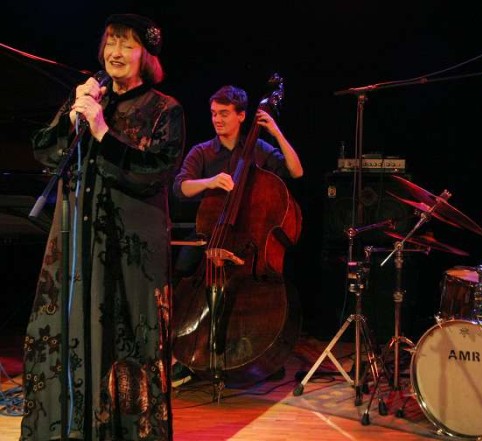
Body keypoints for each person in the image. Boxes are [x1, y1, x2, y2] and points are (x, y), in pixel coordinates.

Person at [20, 13, 185, 440]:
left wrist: (102, 131)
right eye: (111, 42)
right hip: (77, 242)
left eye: (127, 45)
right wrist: (72, 116)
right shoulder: (93, 100)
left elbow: (155, 173)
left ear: (145, 57)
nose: (115, 52)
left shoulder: (165, 109)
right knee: (69, 331)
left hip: (130, 247)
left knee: (125, 340)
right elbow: (45, 152)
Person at [169, 84, 303, 385]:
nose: (217, 119)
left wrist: (277, 133)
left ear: (242, 116)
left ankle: (254, 355)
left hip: (247, 242)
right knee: (181, 274)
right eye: (214, 113)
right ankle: (181, 356)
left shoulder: (257, 149)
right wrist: (210, 182)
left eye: (225, 114)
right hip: (209, 236)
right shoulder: (202, 152)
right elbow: (180, 188)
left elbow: (296, 172)